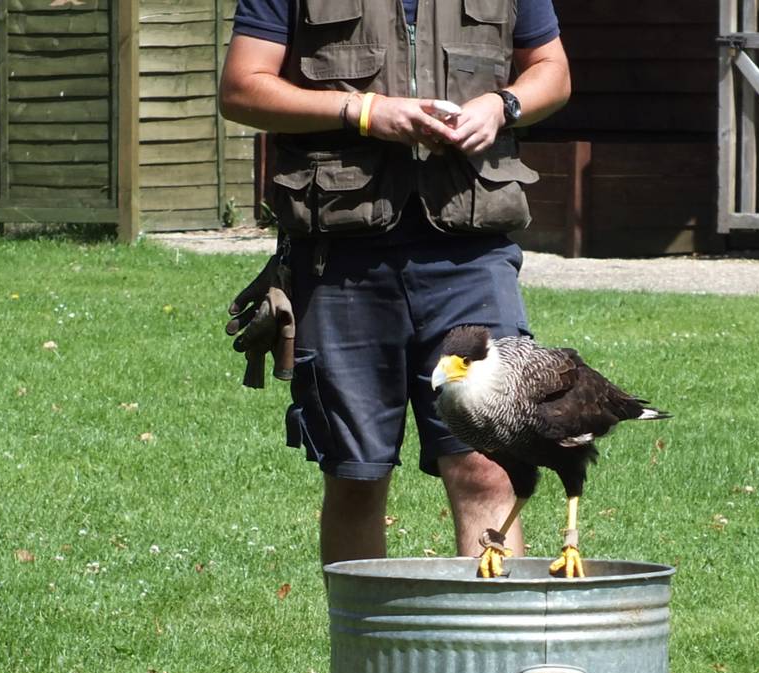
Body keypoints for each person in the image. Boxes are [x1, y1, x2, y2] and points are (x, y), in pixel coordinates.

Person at [219, 0, 571, 566]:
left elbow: (552, 71)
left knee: (488, 465)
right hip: (339, 260)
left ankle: (490, 625)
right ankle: (362, 629)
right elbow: (241, 87)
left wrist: (501, 105)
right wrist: (363, 112)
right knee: (355, 475)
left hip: (471, 255)